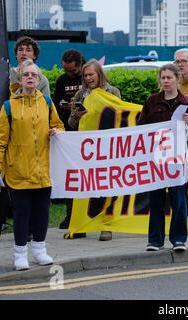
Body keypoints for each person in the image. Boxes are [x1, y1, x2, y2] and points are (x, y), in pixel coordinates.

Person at [0, 59, 64, 270]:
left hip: (44, 171)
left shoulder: (47, 103)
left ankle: (40, 250)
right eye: (26, 75)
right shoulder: (8, 106)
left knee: (42, 212)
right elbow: (0, 139)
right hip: (19, 170)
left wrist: (57, 131)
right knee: (22, 213)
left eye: (34, 75)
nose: (30, 77)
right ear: (20, 79)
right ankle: (20, 253)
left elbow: (58, 125)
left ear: (39, 80)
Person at [137, 63, 188, 252]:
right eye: (163, 78)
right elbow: (142, 127)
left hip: (179, 158)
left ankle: (179, 239)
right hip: (157, 158)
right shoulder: (151, 102)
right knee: (155, 199)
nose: (166, 81)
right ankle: (155, 240)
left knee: (179, 199)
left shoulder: (187, 102)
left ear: (177, 79)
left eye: (169, 78)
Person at [67, 59, 121, 241]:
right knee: (85, 185)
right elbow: (71, 123)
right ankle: (81, 224)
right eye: (86, 75)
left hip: (107, 147)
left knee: (107, 186)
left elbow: (120, 117)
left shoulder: (112, 91)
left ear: (99, 74)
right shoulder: (80, 94)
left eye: (92, 74)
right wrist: (76, 115)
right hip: (87, 148)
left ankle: (106, 226)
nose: (89, 78)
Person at [54, 49, 85, 232]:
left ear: (80, 65)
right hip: (68, 131)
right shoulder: (61, 81)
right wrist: (63, 105)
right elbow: (57, 102)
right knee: (70, 175)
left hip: (86, 133)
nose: (69, 75)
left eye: (73, 71)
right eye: (66, 71)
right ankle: (70, 214)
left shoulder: (89, 77)